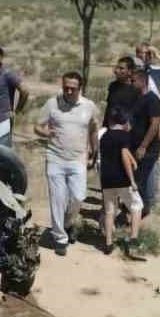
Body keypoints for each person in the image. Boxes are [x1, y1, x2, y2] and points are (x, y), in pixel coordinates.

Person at [33, 71, 99, 255]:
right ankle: (60, 238)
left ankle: (68, 223)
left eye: (73, 89)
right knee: (57, 199)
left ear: (80, 88)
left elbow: (93, 130)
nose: (68, 92)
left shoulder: (89, 106)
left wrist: (95, 152)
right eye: (65, 88)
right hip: (55, 158)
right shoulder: (52, 103)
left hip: (78, 159)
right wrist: (45, 133)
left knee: (78, 197)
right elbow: (37, 126)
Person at [97, 115, 141, 257]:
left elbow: (122, 151)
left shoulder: (104, 136)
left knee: (110, 211)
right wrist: (132, 180)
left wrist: (132, 159)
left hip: (106, 180)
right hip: (122, 180)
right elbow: (123, 155)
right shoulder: (124, 136)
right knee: (137, 206)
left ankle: (108, 243)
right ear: (126, 123)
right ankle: (133, 240)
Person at [128, 65, 160, 216]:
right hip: (133, 145)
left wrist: (143, 146)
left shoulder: (152, 100)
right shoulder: (137, 99)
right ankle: (136, 209)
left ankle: (143, 210)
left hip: (147, 149)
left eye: (133, 80)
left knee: (141, 181)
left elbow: (155, 124)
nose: (130, 83)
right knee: (134, 179)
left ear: (142, 82)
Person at [104, 55, 141, 127]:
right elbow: (109, 108)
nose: (117, 71)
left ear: (129, 72)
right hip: (109, 129)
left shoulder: (135, 89)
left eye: (121, 68)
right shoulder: (113, 86)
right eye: (117, 68)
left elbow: (138, 114)